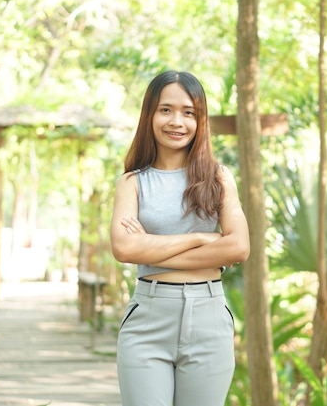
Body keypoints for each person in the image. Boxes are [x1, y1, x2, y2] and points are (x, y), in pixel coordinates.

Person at [109, 70, 250, 406]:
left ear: (200, 120)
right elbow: (125, 248)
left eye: (189, 112)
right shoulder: (132, 182)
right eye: (166, 110)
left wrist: (150, 249)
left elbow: (238, 247)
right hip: (148, 320)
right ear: (150, 115)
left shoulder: (218, 177)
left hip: (209, 318)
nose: (177, 121)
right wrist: (203, 238)